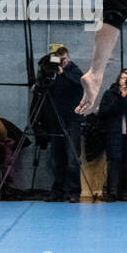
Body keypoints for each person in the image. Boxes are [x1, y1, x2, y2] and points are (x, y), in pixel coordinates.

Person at [41, 46, 83, 202]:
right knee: (56, 157)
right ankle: (58, 190)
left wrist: (62, 73)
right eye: (59, 60)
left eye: (64, 60)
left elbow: (77, 84)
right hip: (56, 119)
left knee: (72, 158)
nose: (62, 63)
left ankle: (74, 191)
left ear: (68, 58)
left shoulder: (75, 70)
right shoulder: (53, 73)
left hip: (72, 119)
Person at [98, 69, 127, 202]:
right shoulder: (110, 94)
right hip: (114, 133)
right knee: (114, 163)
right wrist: (118, 98)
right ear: (118, 79)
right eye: (123, 78)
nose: (125, 80)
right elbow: (103, 112)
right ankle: (112, 193)